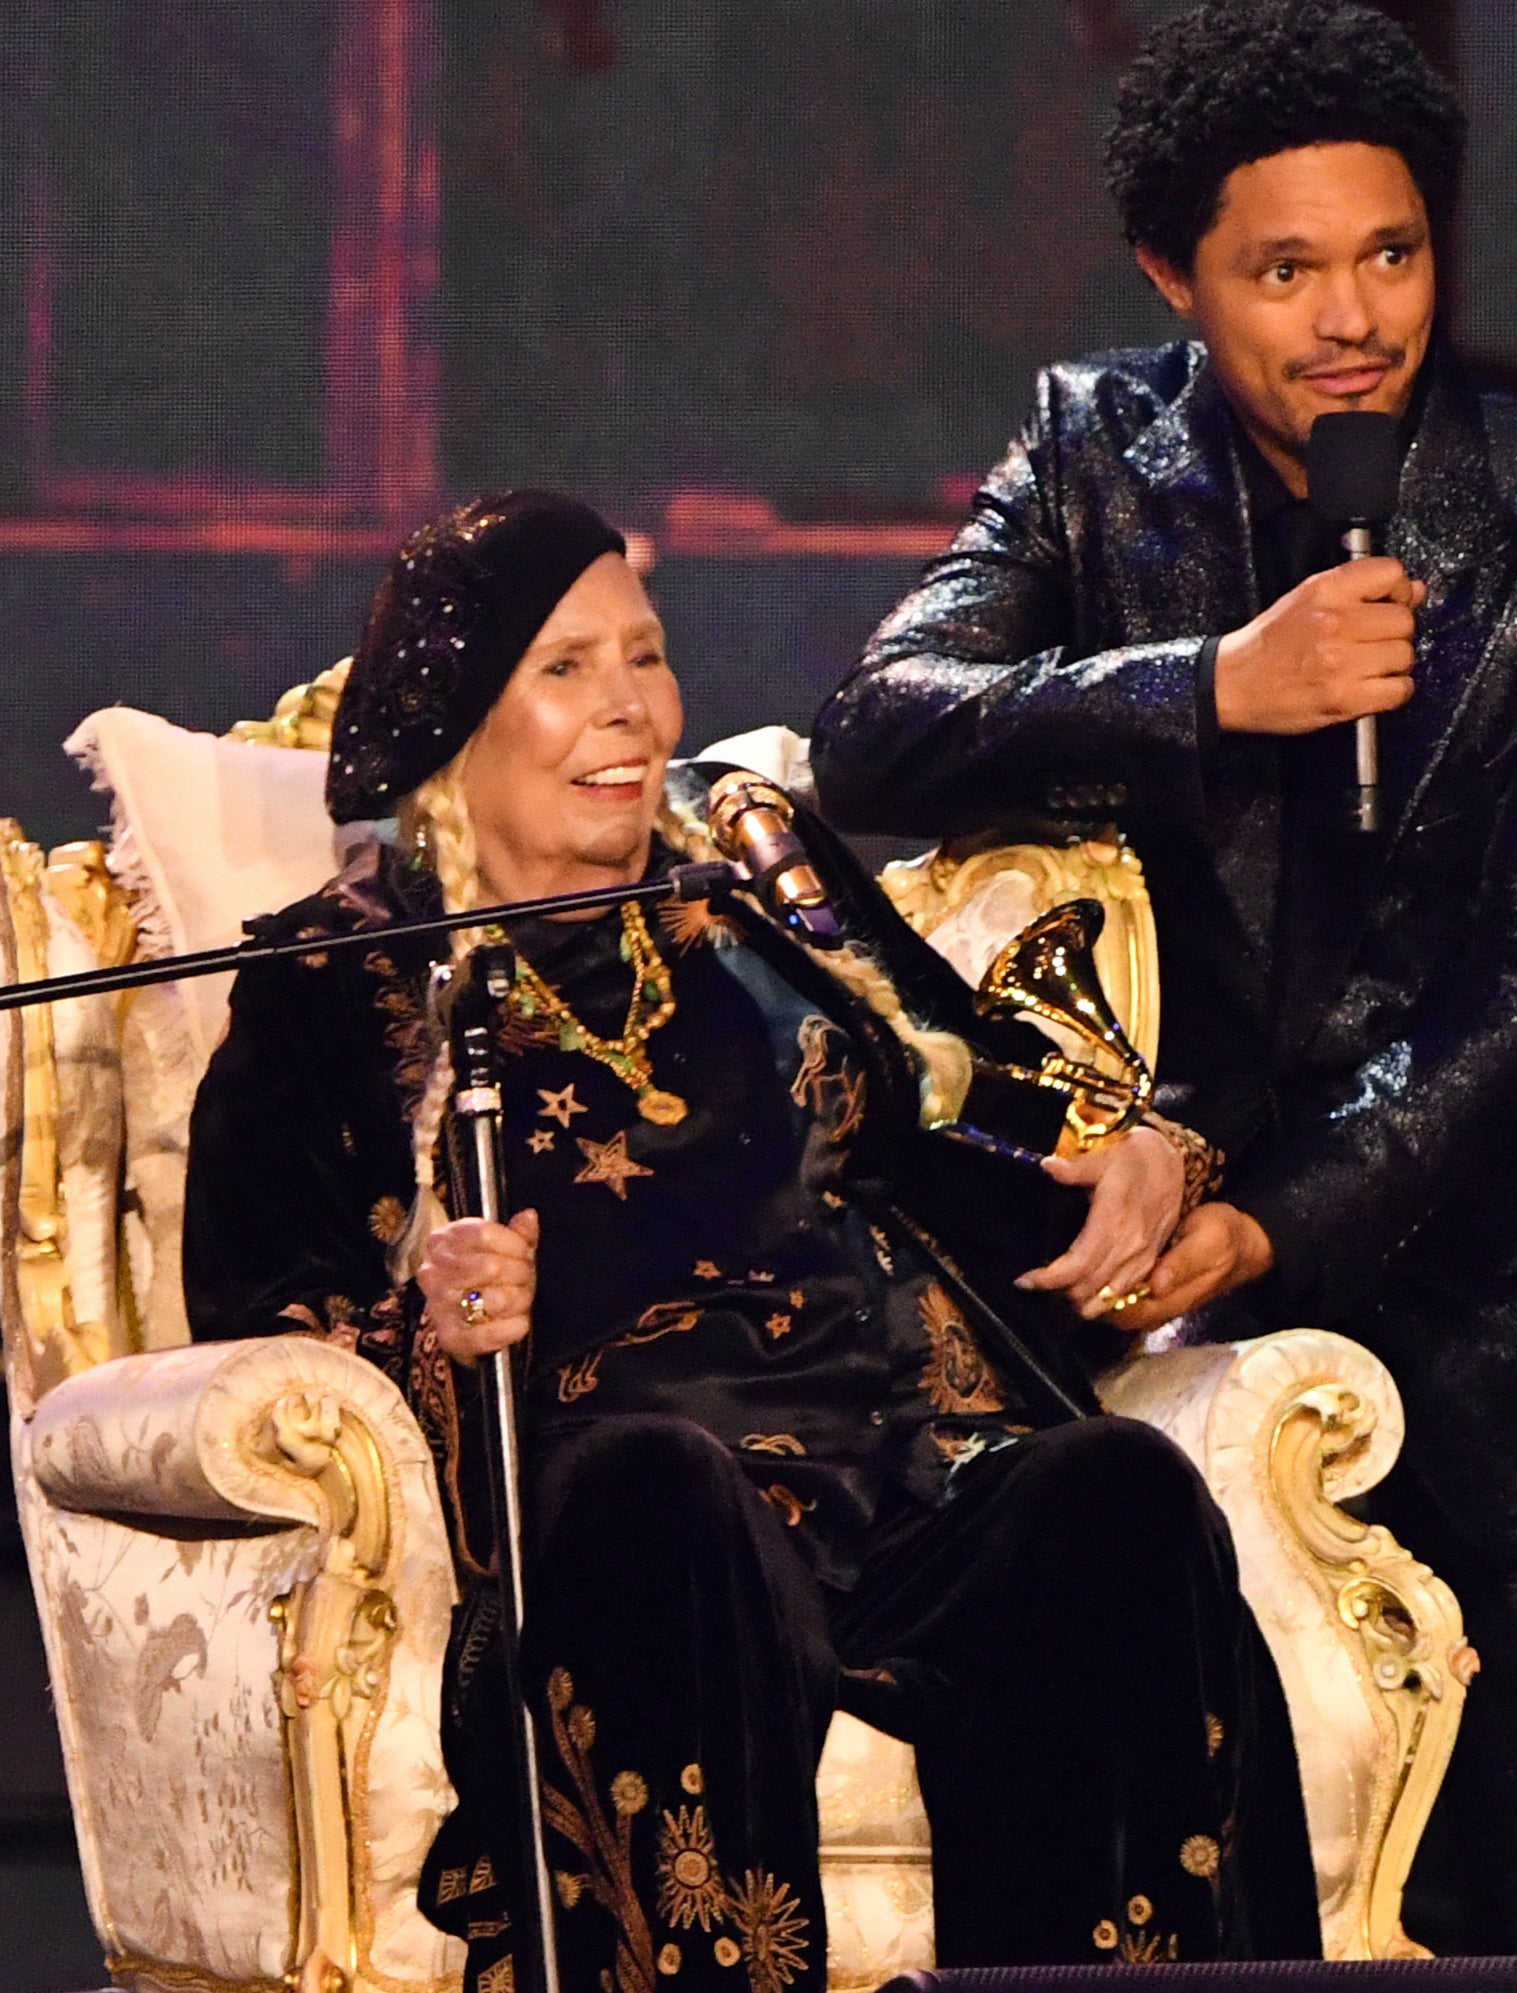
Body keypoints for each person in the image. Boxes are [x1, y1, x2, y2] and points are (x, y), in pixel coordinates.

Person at [809, 0, 1517, 1953]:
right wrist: (1220, 687)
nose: (1354, 316)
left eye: (1390, 253)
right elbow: (874, 732)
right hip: (1172, 1348)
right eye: (1285, 269)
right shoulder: (1091, 456)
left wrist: (1271, 1226)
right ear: (1178, 276)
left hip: (1512, 1351)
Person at [183, 491, 1319, 1989]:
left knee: (1111, 1490)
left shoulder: (747, 862)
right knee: (667, 1499)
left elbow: (958, 1096)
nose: (631, 710)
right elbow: (259, 1316)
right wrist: (427, 1325)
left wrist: (1134, 1162)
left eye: (645, 657)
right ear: (458, 719)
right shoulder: (337, 981)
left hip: (892, 1472)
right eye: (568, 667)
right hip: (643, 1511)